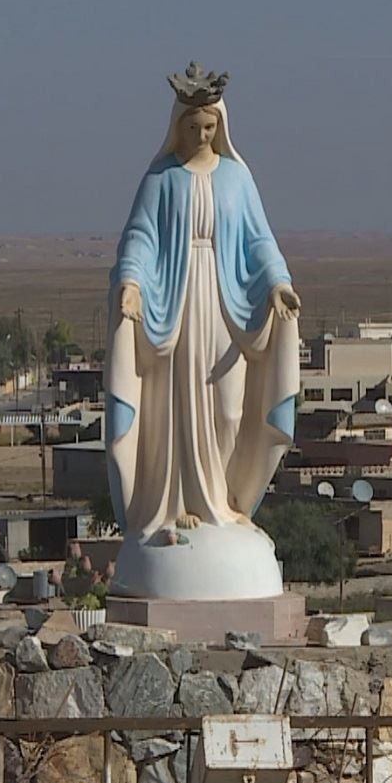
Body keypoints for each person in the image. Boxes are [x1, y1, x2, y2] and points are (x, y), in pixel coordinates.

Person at [105, 63, 300, 547]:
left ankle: (225, 502)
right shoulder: (161, 179)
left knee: (229, 410)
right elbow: (140, 238)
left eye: (210, 127)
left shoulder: (236, 177)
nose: (202, 135)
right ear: (177, 127)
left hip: (225, 304)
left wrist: (277, 283)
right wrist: (130, 282)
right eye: (193, 127)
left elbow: (260, 240)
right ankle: (175, 507)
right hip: (174, 304)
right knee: (172, 407)